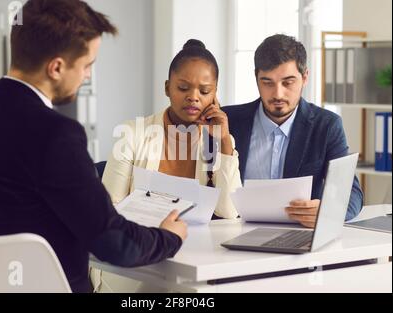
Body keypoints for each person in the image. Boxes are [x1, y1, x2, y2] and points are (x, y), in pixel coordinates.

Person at [0, 0, 186, 293]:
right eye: (87, 65)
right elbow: (115, 244)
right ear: (56, 67)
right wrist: (169, 236)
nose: (87, 76)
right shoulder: (57, 135)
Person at [222, 34, 363, 228]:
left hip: (298, 237)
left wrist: (327, 211)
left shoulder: (327, 125)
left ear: (305, 77)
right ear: (256, 78)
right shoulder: (228, 121)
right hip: (231, 233)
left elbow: (351, 193)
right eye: (267, 82)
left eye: (288, 82)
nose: (278, 94)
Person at [102, 39, 242, 219]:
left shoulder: (217, 141)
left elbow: (229, 211)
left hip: (198, 243)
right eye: (183, 88)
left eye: (205, 91)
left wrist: (223, 141)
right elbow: (109, 209)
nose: (193, 97)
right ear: (167, 88)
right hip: (145, 239)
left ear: (215, 94)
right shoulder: (132, 134)